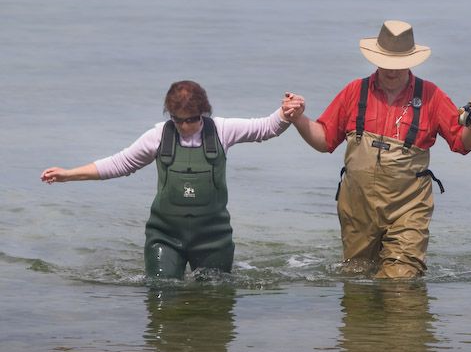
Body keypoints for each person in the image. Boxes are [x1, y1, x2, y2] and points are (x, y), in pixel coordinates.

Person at [288, 20, 471, 279]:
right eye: (386, 62)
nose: (392, 70)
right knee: (356, 280)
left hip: (409, 208)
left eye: (399, 63)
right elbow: (324, 140)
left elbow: (463, 144)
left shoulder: (431, 95)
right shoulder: (354, 91)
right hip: (357, 208)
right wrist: (298, 119)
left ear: (411, 61)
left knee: (399, 281)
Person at [41, 80, 304, 280]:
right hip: (165, 236)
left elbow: (266, 128)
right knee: (160, 292)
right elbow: (120, 163)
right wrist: (68, 174)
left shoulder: (221, 130)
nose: (185, 126)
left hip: (214, 238)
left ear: (203, 112)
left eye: (191, 120)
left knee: (215, 302)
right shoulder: (158, 136)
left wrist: (286, 112)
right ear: (170, 115)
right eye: (178, 120)